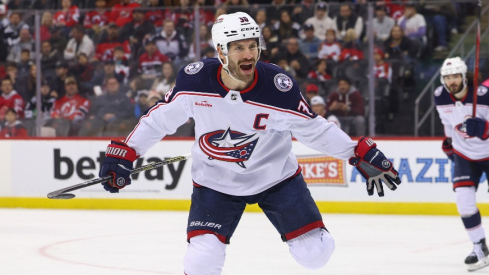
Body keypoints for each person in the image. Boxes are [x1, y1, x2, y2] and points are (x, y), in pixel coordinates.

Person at [97, 12, 401, 274]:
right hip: (215, 182)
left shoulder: (277, 87)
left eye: (253, 45)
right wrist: (127, 152)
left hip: (276, 178)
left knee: (315, 255)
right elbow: (157, 120)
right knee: (201, 260)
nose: (248, 54)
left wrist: (355, 152)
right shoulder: (195, 82)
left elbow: (314, 129)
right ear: (221, 51)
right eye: (238, 47)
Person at [435, 57, 489, 272]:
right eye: (448, 77)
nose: (452, 81)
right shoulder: (440, 96)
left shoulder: (483, 96)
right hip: (464, 155)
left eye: (456, 76)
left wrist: (486, 130)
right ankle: (479, 247)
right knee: (464, 203)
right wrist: (449, 142)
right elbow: (448, 123)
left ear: (465, 77)